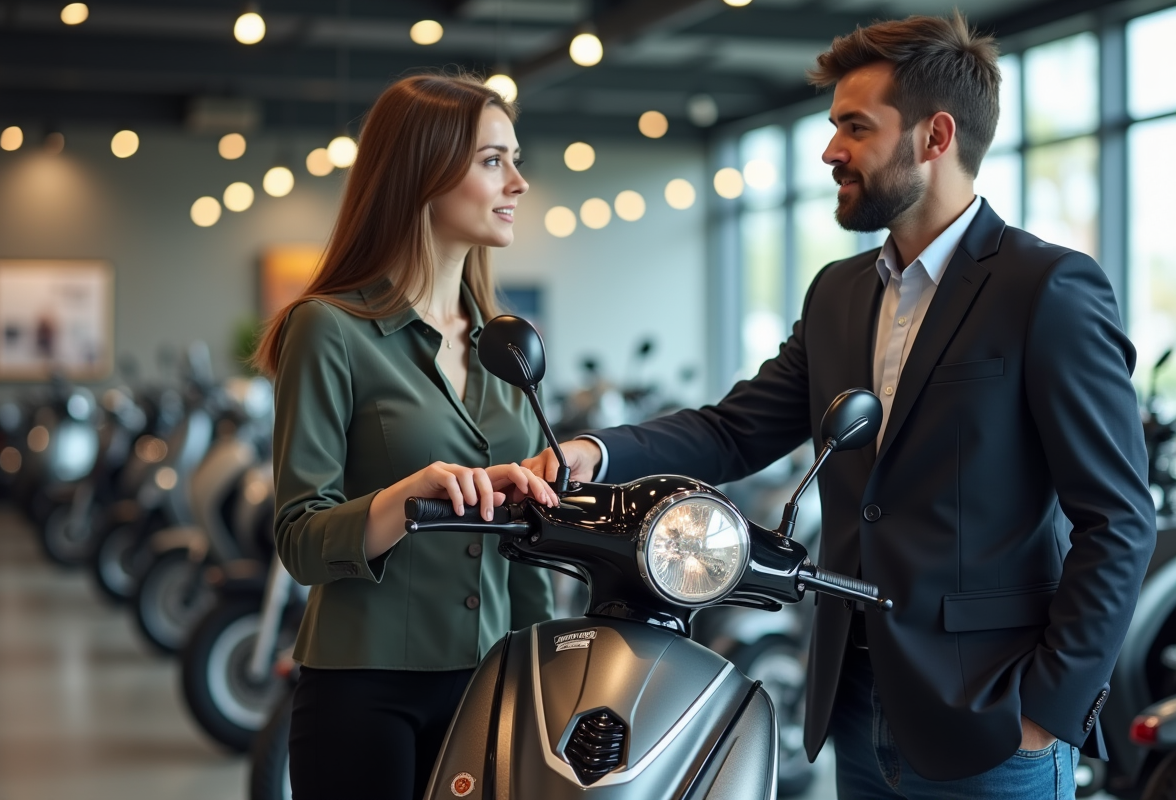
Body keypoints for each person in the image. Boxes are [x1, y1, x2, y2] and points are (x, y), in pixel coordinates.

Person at [522, 12, 1155, 799]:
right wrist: (596, 455)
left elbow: (1119, 516)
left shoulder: (1047, 288)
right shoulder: (839, 292)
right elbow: (735, 428)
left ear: (935, 136)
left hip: (994, 723)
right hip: (853, 704)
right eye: (831, 128)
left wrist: (1048, 710)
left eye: (855, 128)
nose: (830, 151)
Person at [254, 73, 558, 800]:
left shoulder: (505, 344)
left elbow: (525, 539)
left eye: (515, 159)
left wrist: (547, 668)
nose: (517, 181)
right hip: (364, 692)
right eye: (493, 160)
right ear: (422, 170)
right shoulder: (327, 328)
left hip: (494, 687)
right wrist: (405, 497)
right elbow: (299, 537)